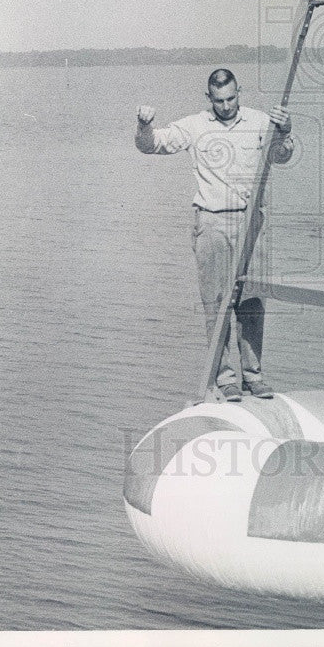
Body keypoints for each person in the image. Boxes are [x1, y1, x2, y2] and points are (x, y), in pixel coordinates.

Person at [135, 68, 293, 403]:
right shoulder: (193, 125)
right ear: (209, 98)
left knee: (251, 302)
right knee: (216, 305)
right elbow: (152, 146)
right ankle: (225, 379)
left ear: (240, 92)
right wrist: (144, 125)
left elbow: (281, 157)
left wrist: (286, 132)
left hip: (251, 223)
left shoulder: (261, 121)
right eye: (218, 100)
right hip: (210, 223)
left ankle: (254, 376)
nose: (225, 105)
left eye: (231, 98)